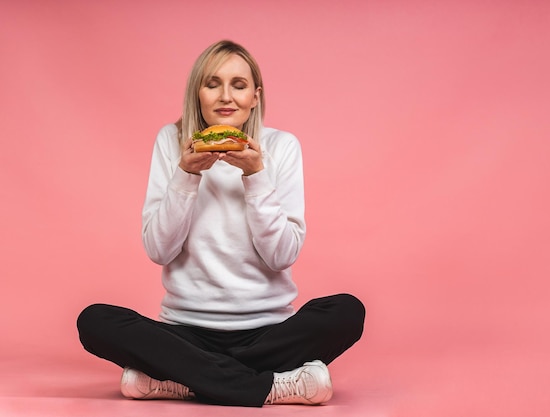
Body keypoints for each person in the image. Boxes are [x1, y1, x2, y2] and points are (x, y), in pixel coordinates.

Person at [76, 39, 365, 407]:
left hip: (269, 332)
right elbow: (158, 249)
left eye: (239, 85)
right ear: (198, 93)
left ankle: (180, 379)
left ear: (255, 97)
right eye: (212, 83)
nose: (225, 96)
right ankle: (273, 386)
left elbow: (281, 257)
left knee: (347, 311)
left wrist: (256, 177)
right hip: (184, 333)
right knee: (95, 321)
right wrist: (186, 175)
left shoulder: (281, 147)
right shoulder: (172, 141)